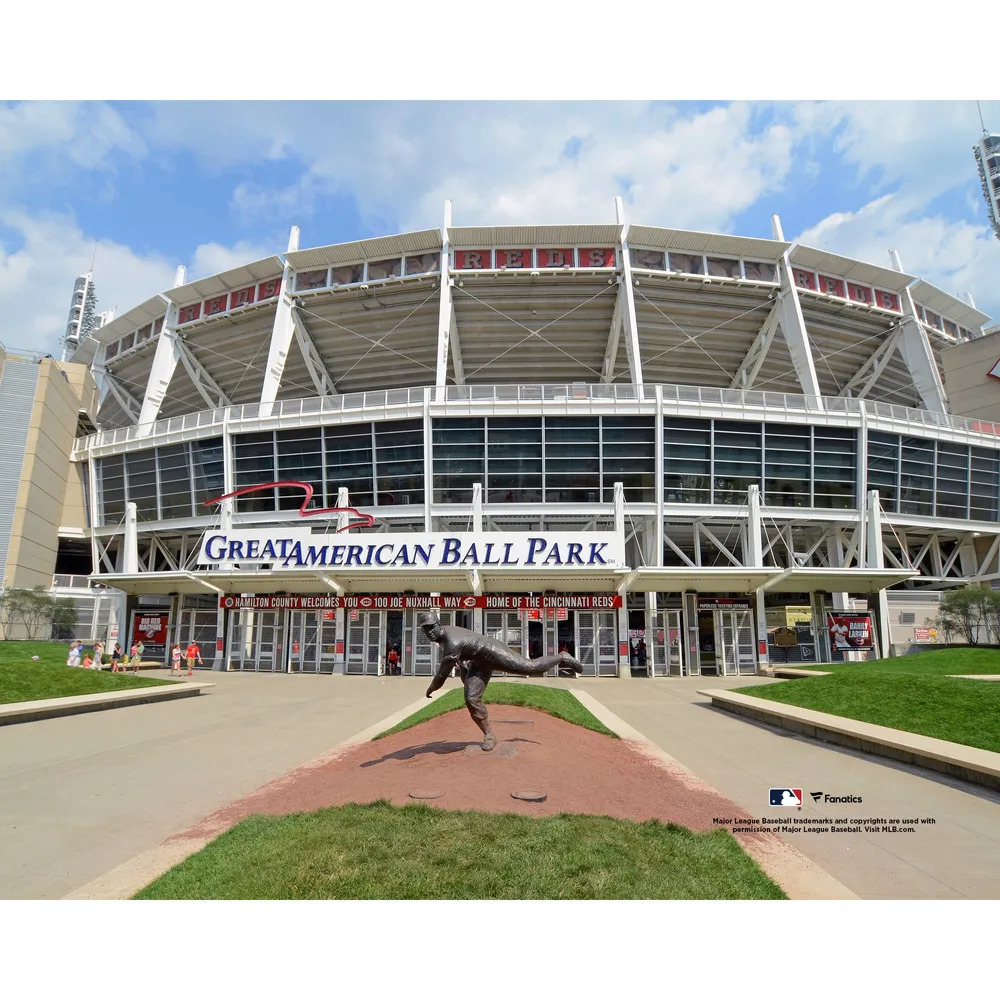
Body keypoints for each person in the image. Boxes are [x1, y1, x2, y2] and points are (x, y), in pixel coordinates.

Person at [418, 612, 585, 751]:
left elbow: (442, 675)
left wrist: (431, 689)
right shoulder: (444, 639)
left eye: (432, 627)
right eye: (426, 629)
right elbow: (462, 655)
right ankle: (489, 735)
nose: (429, 632)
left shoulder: (451, 642)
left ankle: (563, 657)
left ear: (438, 624)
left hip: (492, 651)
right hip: (478, 662)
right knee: (471, 698)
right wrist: (463, 667)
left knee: (529, 667)